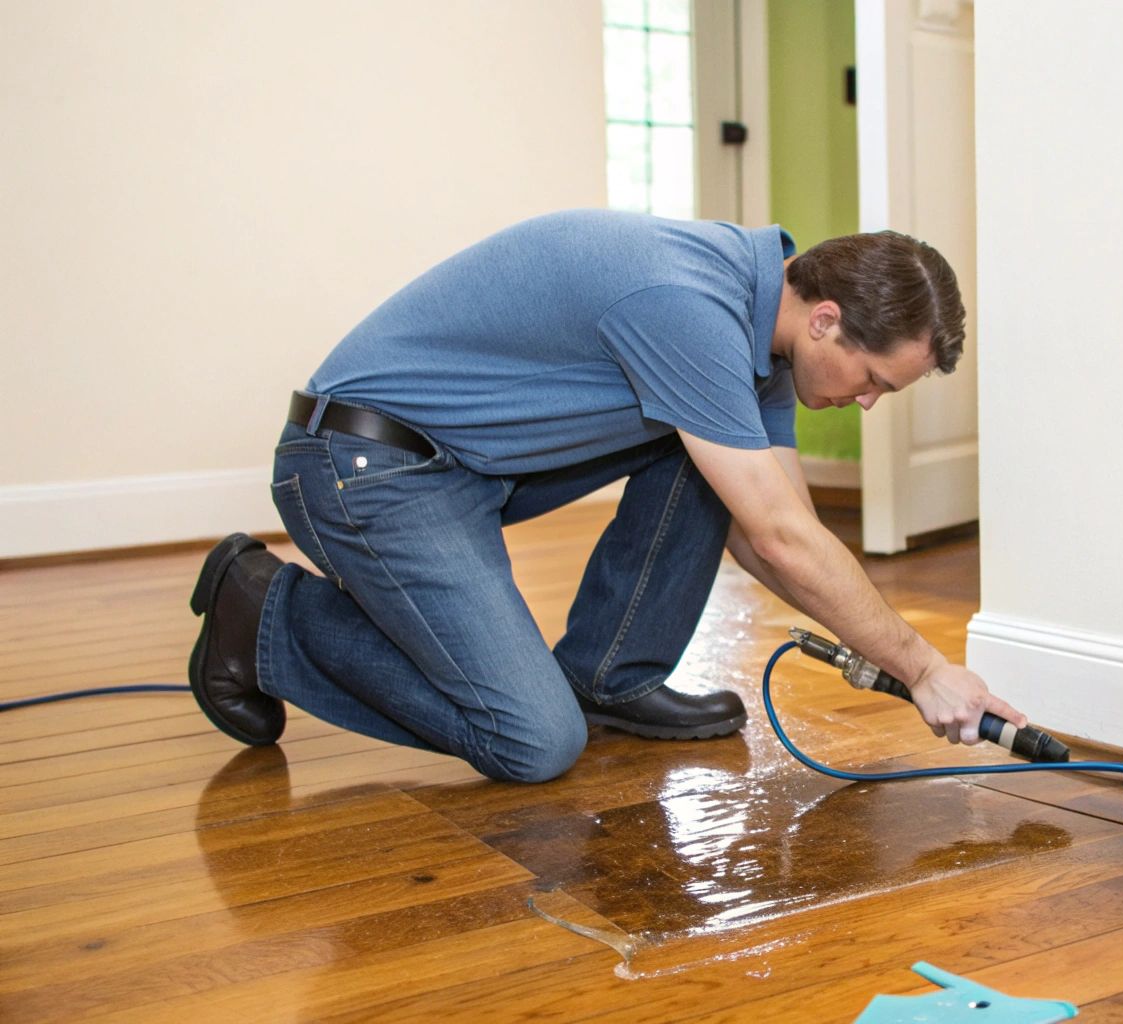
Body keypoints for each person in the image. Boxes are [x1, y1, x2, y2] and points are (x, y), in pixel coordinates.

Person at [184, 209, 1027, 783]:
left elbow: (775, 522)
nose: (870, 403)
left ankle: (609, 674)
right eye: (874, 380)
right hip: (362, 466)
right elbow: (779, 538)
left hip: (459, 473)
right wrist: (921, 667)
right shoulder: (685, 305)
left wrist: (904, 660)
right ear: (824, 319)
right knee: (534, 742)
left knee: (717, 462)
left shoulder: (759, 328)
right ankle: (263, 613)